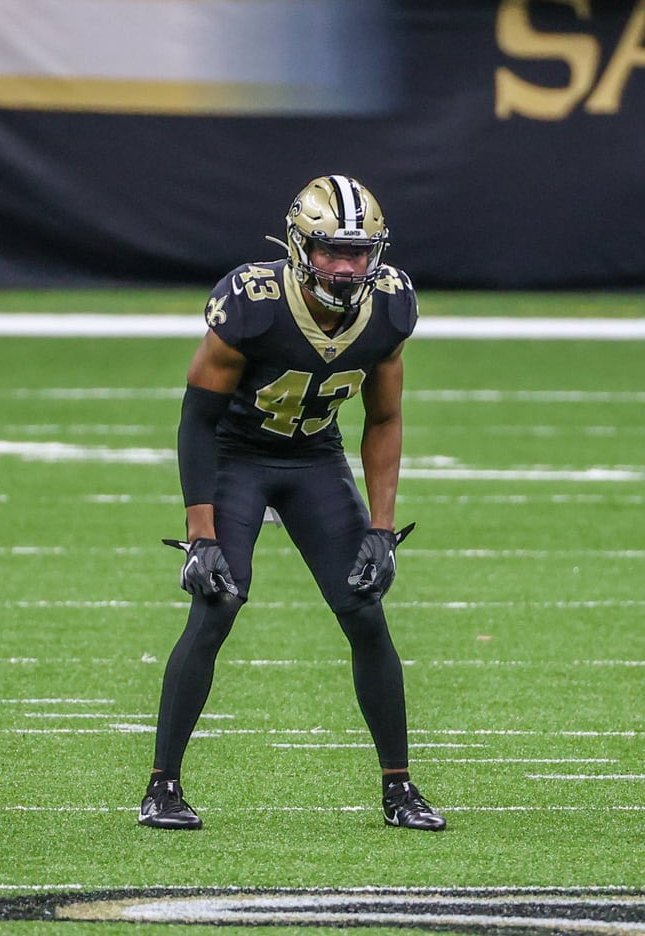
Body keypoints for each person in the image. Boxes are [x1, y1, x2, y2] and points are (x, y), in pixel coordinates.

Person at [138, 174, 446, 832]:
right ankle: (162, 786)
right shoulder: (253, 303)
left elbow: (384, 418)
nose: (346, 267)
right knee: (217, 602)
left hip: (313, 459)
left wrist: (382, 528)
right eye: (332, 250)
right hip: (236, 457)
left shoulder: (390, 306)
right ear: (299, 246)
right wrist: (200, 535)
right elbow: (197, 420)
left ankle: (399, 787)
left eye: (358, 252)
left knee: (365, 608)